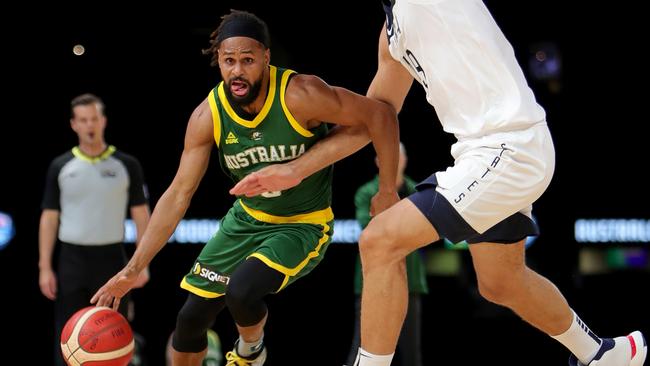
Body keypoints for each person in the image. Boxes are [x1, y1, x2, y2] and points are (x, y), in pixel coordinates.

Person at [229, 1, 648, 365]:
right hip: (482, 154)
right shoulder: (393, 33)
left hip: (511, 146)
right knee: (501, 282)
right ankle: (604, 354)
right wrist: (297, 168)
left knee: (379, 241)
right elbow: (376, 117)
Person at [91, 9, 400, 366]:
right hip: (246, 220)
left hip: (302, 223)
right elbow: (178, 193)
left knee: (241, 292)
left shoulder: (301, 93)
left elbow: (380, 115)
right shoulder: (208, 115)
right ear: (219, 62)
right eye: (229, 61)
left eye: (248, 60)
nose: (237, 71)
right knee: (189, 321)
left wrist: (387, 189)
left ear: (266, 59)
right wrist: (133, 268)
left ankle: (251, 350)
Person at [38, 93, 151, 366]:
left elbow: (141, 215)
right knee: (68, 335)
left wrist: (142, 263)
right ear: (73, 124)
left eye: (94, 119)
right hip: (71, 261)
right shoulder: (61, 166)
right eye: (83, 120)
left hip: (112, 260)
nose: (89, 125)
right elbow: (49, 218)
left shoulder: (126, 165)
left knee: (114, 333)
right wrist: (44, 267)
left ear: (103, 121)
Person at [345, 143, 427, 366]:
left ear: (406, 160)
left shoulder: (419, 192)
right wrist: (406, 228)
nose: (395, 161)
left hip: (411, 281)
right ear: (379, 161)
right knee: (361, 346)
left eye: (399, 157)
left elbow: (424, 232)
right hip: (371, 281)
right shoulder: (365, 192)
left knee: (412, 353)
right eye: (389, 156)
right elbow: (369, 229)